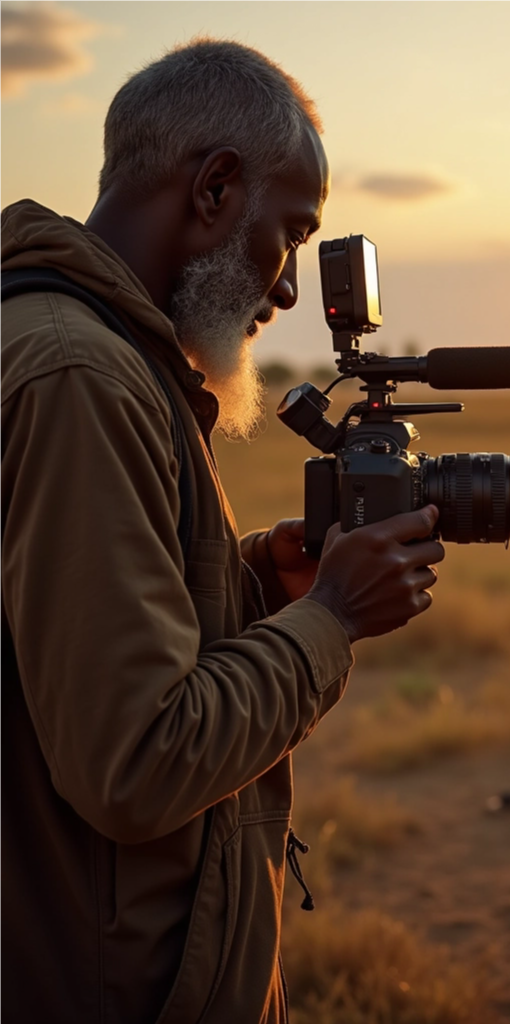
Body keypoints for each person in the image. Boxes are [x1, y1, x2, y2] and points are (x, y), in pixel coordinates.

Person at [0, 40, 444, 1022]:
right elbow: (136, 761)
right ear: (213, 188)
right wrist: (330, 619)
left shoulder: (97, 354)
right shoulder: (82, 375)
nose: (285, 290)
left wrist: (252, 581)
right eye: (289, 234)